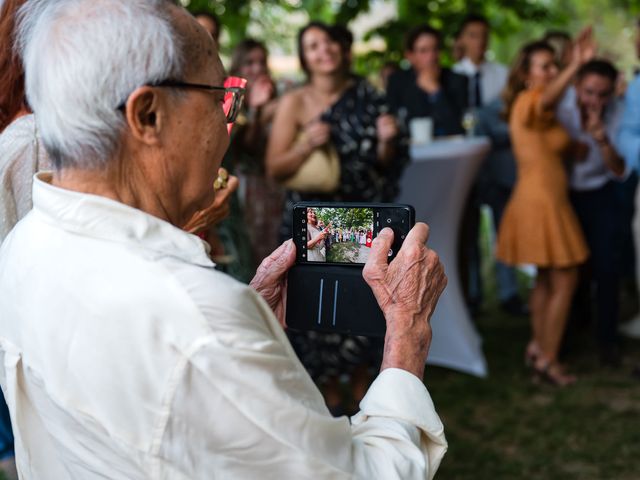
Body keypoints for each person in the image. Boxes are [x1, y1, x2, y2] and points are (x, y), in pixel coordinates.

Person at [0, 1, 449, 478]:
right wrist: (406, 334)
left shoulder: (26, 244)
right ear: (147, 115)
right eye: (219, 96)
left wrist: (246, 324)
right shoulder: (196, 322)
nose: (226, 125)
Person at [496, 32, 595, 386]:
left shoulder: (545, 112)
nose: (552, 71)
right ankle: (549, 361)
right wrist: (576, 65)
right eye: (545, 66)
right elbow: (549, 97)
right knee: (566, 278)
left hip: (547, 199)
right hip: (540, 202)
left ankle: (538, 348)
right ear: (527, 74)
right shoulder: (530, 101)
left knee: (545, 278)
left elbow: (561, 145)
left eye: (554, 64)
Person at [557, 60, 628, 366]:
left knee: (607, 268)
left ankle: (607, 340)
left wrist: (600, 138)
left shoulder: (620, 113)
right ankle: (567, 334)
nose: (595, 101)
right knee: (568, 267)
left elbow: (620, 169)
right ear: (576, 87)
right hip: (564, 196)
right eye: (589, 92)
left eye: (603, 94)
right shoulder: (560, 109)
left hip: (601, 195)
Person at [387, 24, 468, 137]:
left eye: (435, 49)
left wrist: (436, 92)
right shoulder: (398, 82)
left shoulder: (457, 80)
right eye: (423, 51)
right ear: (410, 56)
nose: (431, 57)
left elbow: (459, 128)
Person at [453, 14, 508, 108]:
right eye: (473, 36)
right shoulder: (453, 74)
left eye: (484, 35)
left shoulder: (504, 74)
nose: (480, 41)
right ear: (461, 39)